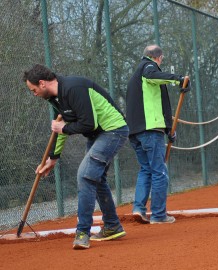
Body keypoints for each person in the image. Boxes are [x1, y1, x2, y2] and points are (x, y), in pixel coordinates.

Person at [23, 64, 129, 249]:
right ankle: (112, 226)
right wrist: (53, 158)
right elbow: (61, 128)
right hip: (98, 135)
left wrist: (62, 128)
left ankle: (82, 233)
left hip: (113, 130)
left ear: (42, 83)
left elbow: (87, 123)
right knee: (96, 178)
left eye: (33, 90)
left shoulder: (73, 88)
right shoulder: (56, 99)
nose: (34, 94)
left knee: (85, 175)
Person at [126, 44, 190, 224]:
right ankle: (159, 214)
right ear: (158, 57)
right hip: (150, 131)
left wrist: (168, 129)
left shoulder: (135, 76)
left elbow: (156, 104)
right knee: (159, 171)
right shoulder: (148, 68)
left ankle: (138, 208)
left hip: (135, 132)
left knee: (145, 169)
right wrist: (178, 79)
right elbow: (152, 75)